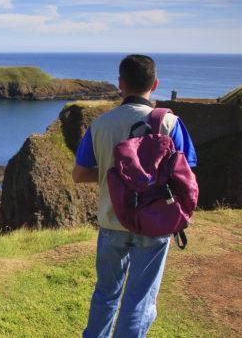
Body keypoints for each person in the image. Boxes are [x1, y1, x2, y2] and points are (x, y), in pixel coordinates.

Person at [72, 54, 197, 338]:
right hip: (155, 222)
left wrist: (110, 173)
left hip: (112, 220)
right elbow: (185, 174)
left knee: (105, 293)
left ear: (121, 84)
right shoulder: (170, 124)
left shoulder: (100, 125)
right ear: (155, 84)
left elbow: (78, 175)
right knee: (138, 299)